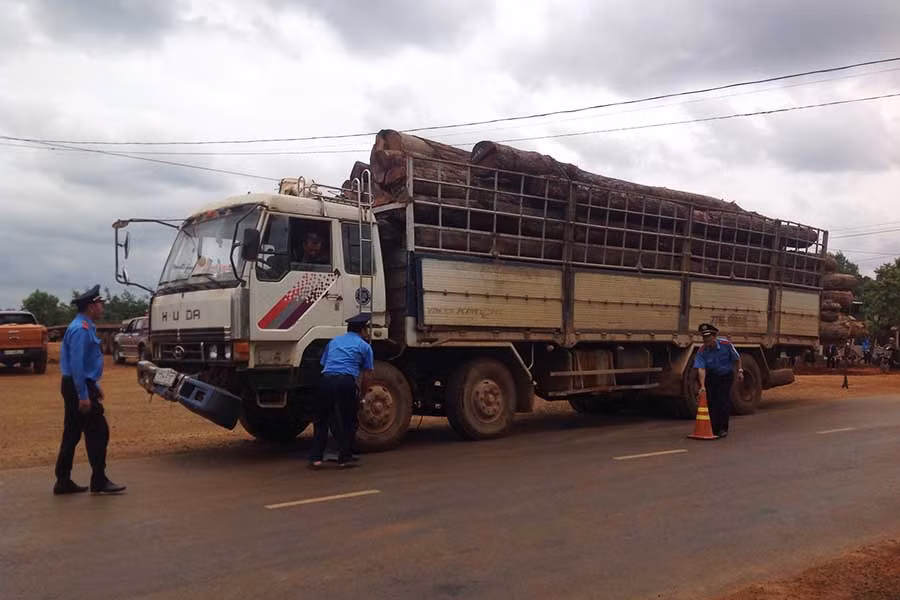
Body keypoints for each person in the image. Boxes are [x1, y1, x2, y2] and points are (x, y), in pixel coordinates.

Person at [53, 285, 126, 496]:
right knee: (98, 432)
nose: (102, 308)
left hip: (80, 384)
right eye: (100, 304)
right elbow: (76, 365)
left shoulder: (84, 326)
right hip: (78, 386)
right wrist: (84, 395)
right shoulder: (80, 330)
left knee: (72, 433)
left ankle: (63, 481)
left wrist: (94, 386)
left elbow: (83, 365)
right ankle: (99, 480)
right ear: (92, 306)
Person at [308, 313, 375, 469]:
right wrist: (362, 396)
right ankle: (344, 458)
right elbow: (368, 376)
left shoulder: (334, 341)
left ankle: (316, 458)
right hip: (346, 382)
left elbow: (323, 363)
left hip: (326, 380)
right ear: (363, 330)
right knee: (348, 421)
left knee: (322, 420)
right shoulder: (365, 346)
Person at [693, 323, 743, 439]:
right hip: (712, 376)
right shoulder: (702, 350)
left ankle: (723, 428)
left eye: (708, 337)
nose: (705, 340)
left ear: (714, 337)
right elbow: (701, 368)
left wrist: (740, 371)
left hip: (725, 375)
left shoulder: (726, 344)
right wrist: (702, 385)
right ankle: (714, 429)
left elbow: (737, 358)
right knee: (711, 401)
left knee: (723, 400)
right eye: (704, 337)